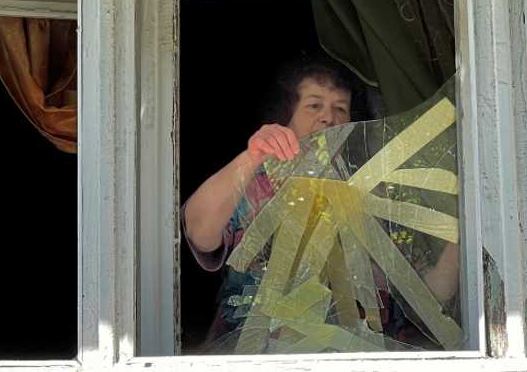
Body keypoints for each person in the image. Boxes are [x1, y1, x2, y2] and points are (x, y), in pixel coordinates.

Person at [181, 54, 459, 350]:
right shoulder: (258, 185)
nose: (329, 117)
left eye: (340, 108)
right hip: (261, 365)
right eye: (314, 105)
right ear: (285, 115)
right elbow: (199, 232)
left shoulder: (378, 196)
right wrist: (252, 156)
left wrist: (464, 222)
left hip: (367, 368)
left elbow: (432, 293)